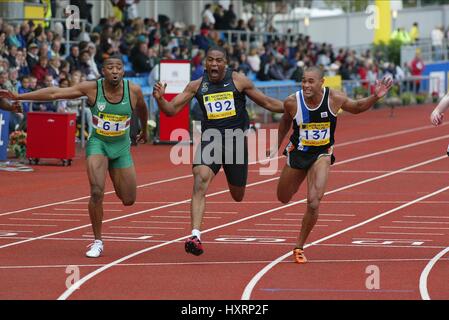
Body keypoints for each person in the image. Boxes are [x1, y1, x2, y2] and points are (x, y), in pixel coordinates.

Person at [0, 55, 149, 258]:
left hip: (121, 147)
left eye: (119, 67)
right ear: (103, 72)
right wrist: (19, 97)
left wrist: (144, 130)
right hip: (99, 144)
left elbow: (142, 108)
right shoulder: (92, 88)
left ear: (123, 71)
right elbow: (55, 93)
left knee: (129, 199)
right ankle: (97, 241)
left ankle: (117, 177)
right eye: (110, 67)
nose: (115, 71)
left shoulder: (133, 91)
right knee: (97, 191)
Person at [152, 46, 284, 256]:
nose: (214, 64)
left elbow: (267, 102)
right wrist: (160, 99)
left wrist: (294, 107)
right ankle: (195, 235)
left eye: (218, 60)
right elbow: (171, 110)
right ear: (205, 63)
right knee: (199, 180)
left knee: (238, 195)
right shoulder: (196, 86)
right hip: (210, 141)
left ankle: (231, 182)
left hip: (237, 143)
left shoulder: (239, 81)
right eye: (210, 60)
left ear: (226, 63)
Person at [273, 66, 392, 264]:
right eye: (304, 81)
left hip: (322, 153)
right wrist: (277, 145)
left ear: (322, 82)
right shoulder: (292, 102)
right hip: (298, 153)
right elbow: (285, 121)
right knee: (283, 197)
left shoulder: (334, 99)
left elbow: (357, 107)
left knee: (314, 201)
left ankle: (299, 247)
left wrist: (375, 96)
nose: (306, 85)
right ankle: (298, 180)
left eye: (311, 81)